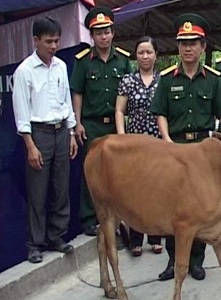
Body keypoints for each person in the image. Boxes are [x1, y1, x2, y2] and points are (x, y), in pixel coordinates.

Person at [149, 13, 221, 282]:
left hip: (202, 151)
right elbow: (159, 112)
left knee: (200, 208)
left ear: (203, 46)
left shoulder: (213, 79)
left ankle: (196, 261)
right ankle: (173, 261)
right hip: (174, 149)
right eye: (183, 42)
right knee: (172, 208)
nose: (187, 47)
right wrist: (166, 140)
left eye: (193, 42)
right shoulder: (166, 78)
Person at [12, 17, 77, 263]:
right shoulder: (24, 72)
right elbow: (22, 113)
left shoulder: (60, 66)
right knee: (37, 191)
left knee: (61, 188)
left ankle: (57, 237)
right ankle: (35, 244)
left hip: (61, 131)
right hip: (38, 134)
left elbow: (66, 101)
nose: (53, 46)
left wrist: (71, 133)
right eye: (48, 41)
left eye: (57, 41)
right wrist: (30, 146)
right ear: (36, 40)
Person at [70, 6, 132, 238]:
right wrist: (77, 122)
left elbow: (129, 93)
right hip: (92, 124)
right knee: (92, 172)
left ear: (113, 33)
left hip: (115, 125)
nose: (103, 36)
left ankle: (118, 215)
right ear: (92, 36)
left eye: (106, 31)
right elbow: (77, 92)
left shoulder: (123, 61)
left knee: (117, 174)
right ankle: (89, 219)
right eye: (98, 33)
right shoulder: (83, 61)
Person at [115, 36, 163, 256]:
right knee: (135, 192)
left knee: (156, 190)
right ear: (136, 55)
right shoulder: (128, 80)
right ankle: (136, 239)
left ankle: (155, 237)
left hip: (157, 143)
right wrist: (122, 138)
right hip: (134, 144)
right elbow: (120, 111)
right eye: (141, 52)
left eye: (149, 52)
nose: (145, 56)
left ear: (155, 55)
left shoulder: (163, 80)